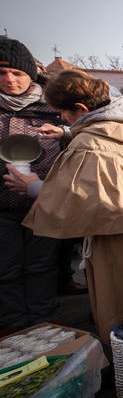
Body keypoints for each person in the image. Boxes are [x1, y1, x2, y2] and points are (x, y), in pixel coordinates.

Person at [7, 69, 123, 342]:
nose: (62, 118)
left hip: (120, 239)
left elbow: (86, 202)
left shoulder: (91, 145)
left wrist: (31, 185)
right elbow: (111, 147)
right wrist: (68, 133)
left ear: (80, 107)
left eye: (64, 113)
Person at [0, 38, 63, 336]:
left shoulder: (53, 106)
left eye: (16, 72)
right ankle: (12, 329)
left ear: (30, 74)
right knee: (5, 270)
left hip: (45, 201)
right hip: (3, 207)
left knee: (42, 266)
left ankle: (43, 326)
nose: (9, 80)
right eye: (1, 72)